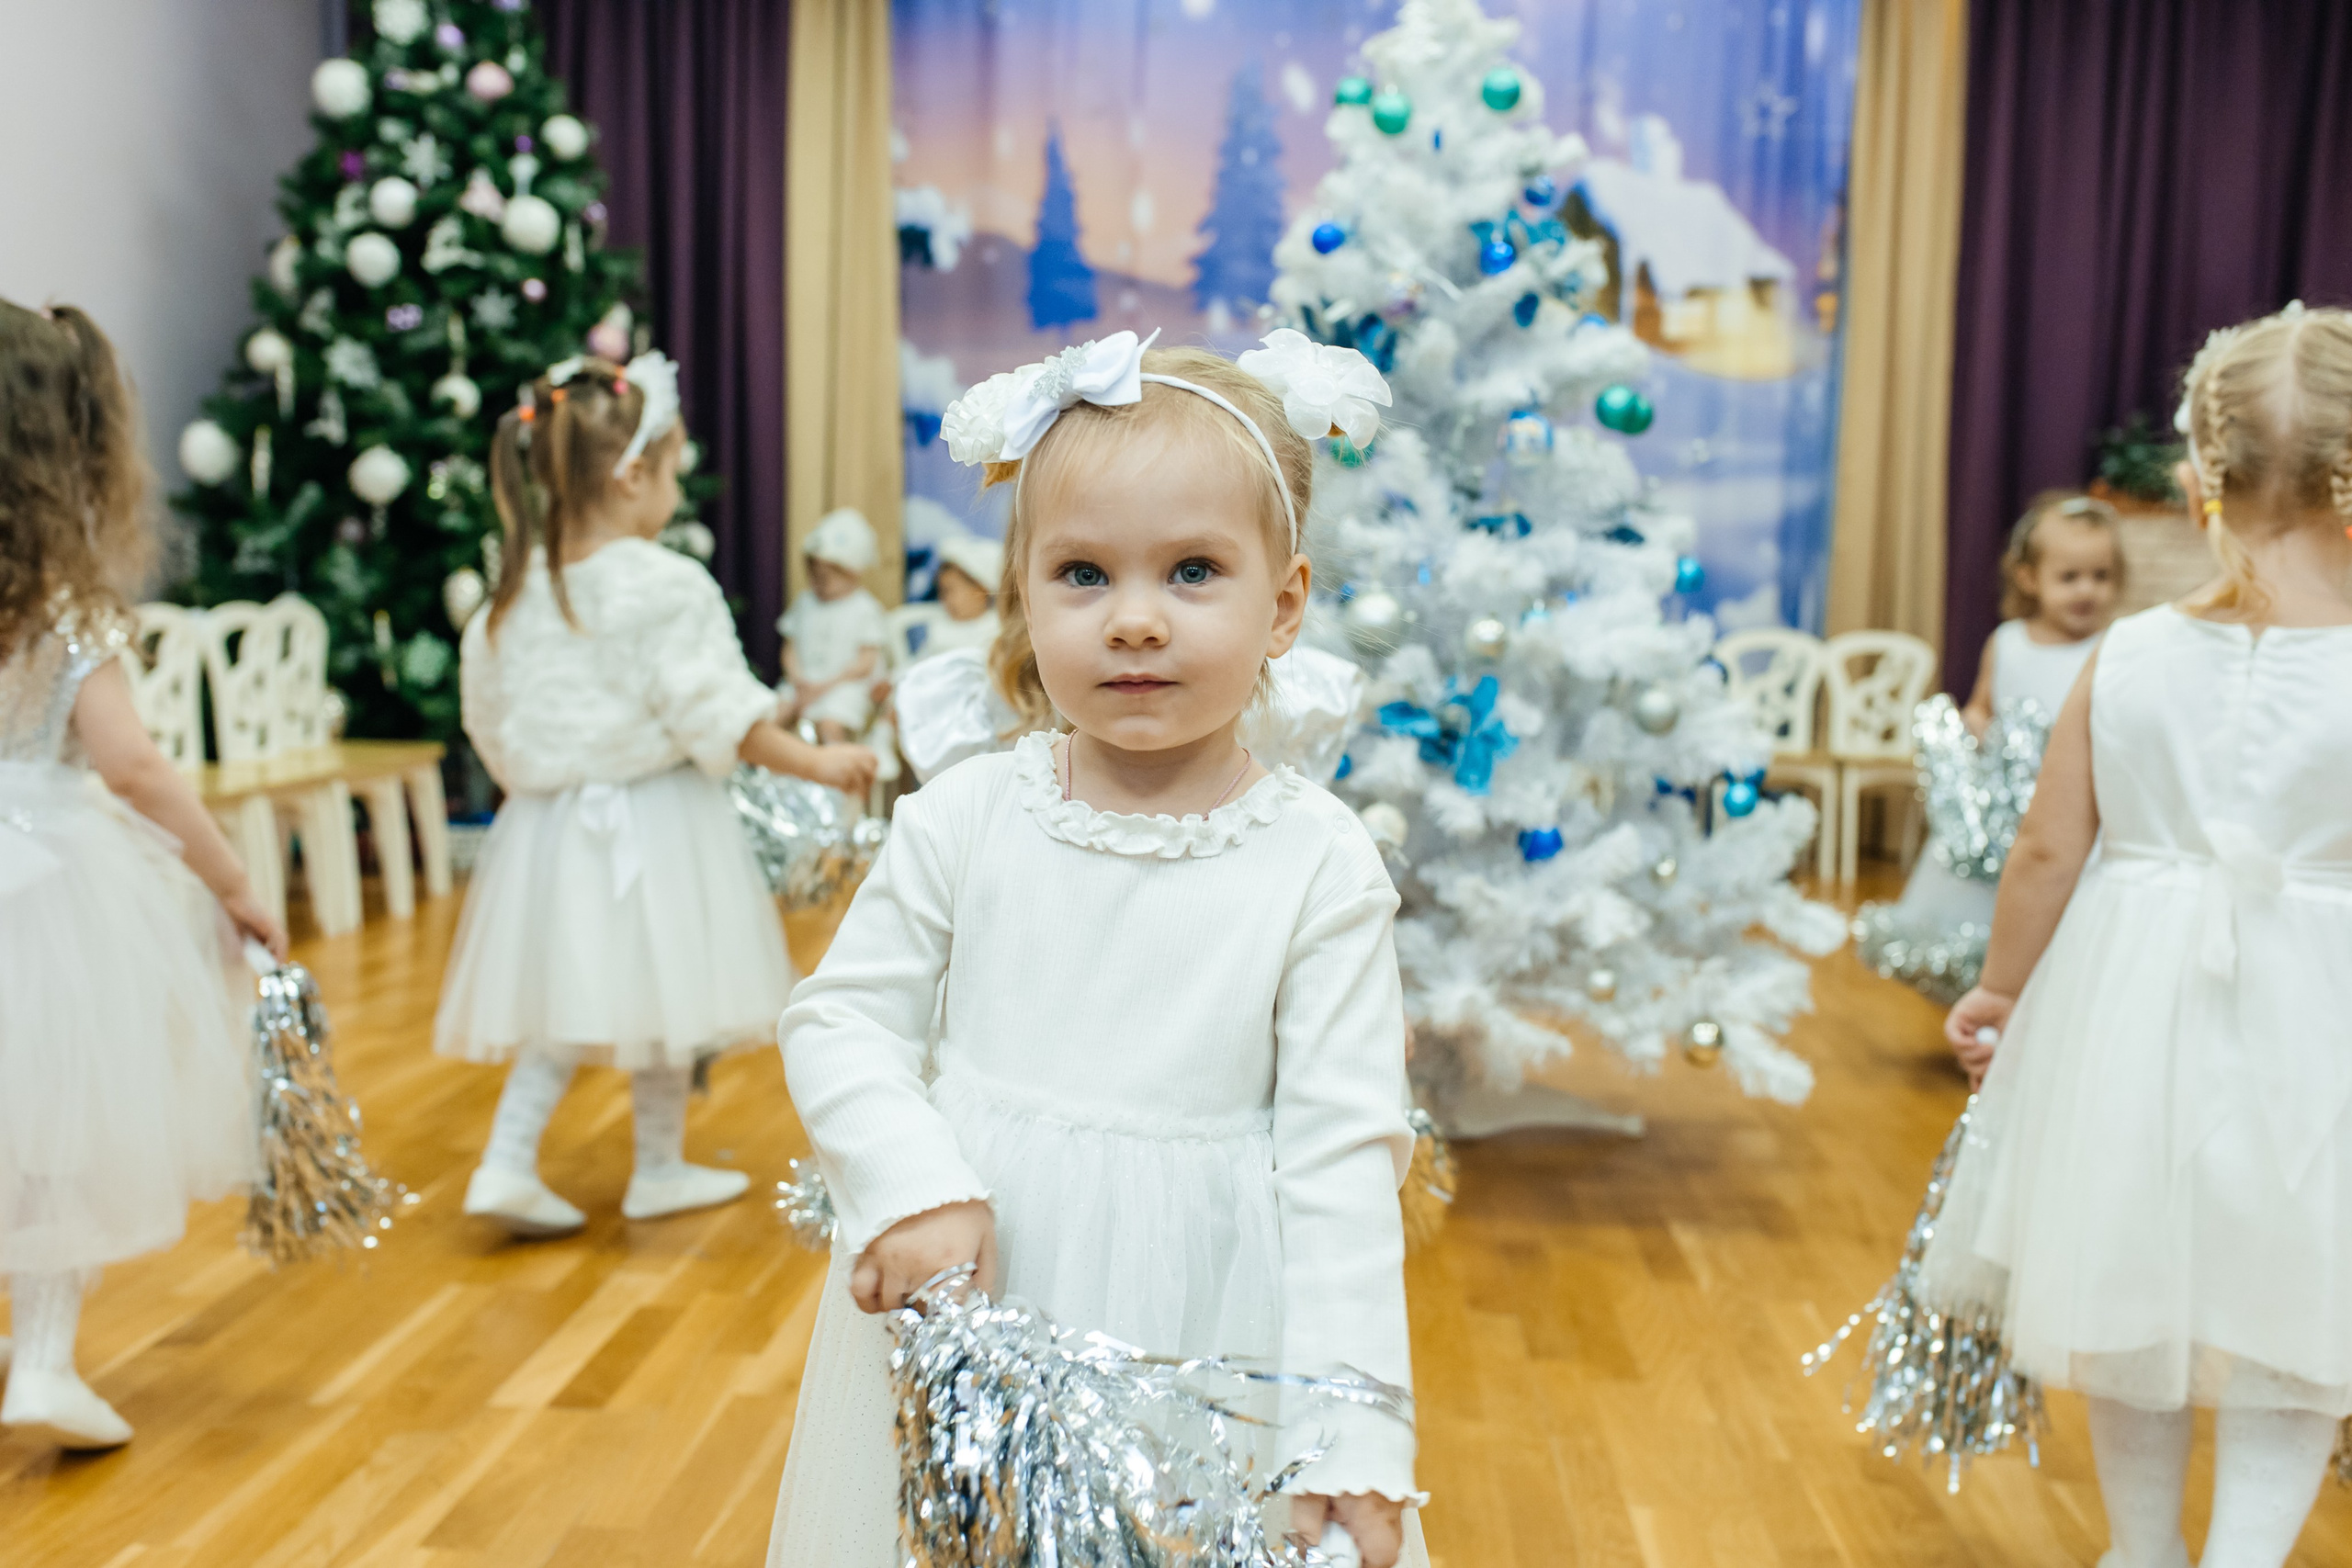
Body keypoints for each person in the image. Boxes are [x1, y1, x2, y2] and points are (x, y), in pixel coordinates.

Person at [767, 330, 1425, 1566]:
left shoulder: (1317, 862)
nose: (1133, 620)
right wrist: (913, 1182)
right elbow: (842, 1017)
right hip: (982, 1294)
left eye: (1190, 571)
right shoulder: (964, 814)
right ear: (1022, 591)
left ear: (1283, 602)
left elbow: (1344, 1165)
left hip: (1215, 1332)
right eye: (1082, 573)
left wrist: (1351, 1436)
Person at [1939, 304, 2352, 1568]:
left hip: (2132, 1004)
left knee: (2130, 1263)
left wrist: (2001, 991)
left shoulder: (2124, 654)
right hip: (2321, 1011)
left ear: (2199, 478)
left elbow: (2050, 848)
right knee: (2302, 1292)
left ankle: (2141, 1547)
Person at [434, 353, 876, 1236]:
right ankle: (659, 1165)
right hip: (654, 818)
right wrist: (822, 764)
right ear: (633, 474)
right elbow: (719, 712)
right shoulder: (664, 585)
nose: (677, 487)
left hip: (550, 826)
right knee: (675, 984)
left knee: (562, 997)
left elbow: (487, 721)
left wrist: (541, 783)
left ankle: (508, 1161)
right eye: (673, 470)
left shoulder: (510, 595)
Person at [0, 299, 287, 1448]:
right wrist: (232, 882)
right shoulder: (66, 610)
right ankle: (46, 1363)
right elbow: (134, 767)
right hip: (48, 893)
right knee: (59, 1125)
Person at [1855, 492, 2122, 1003]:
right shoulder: (2009, 642)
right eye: (2070, 578)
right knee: (1993, 906)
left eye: (2101, 576)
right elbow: (1982, 703)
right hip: (2004, 814)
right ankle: (1985, 1003)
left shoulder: (2112, 647)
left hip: (2075, 811)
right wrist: (1974, 723)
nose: (2086, 590)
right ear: (2028, 578)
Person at [777, 507, 888, 744]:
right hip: (802, 683)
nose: (820, 584)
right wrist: (799, 680)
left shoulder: (864, 608)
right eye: (814, 576)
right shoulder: (805, 602)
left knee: (830, 724)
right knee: (776, 714)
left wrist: (824, 686)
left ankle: (835, 777)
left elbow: (865, 663)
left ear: (852, 573)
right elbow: (790, 648)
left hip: (842, 687)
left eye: (827, 578)